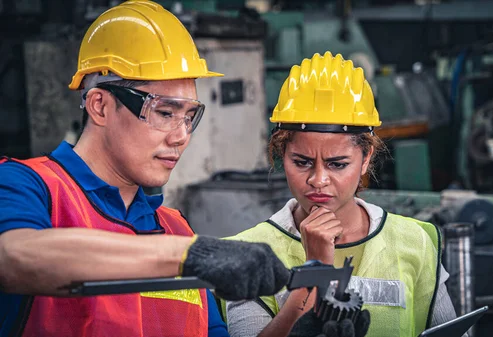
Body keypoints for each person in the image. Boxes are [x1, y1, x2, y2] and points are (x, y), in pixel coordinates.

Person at [0, 1, 289, 336]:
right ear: (100, 106)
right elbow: (14, 257)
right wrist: (189, 255)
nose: (181, 137)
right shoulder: (27, 186)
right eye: (165, 113)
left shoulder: (176, 229)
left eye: (189, 117)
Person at [223, 51, 462, 337]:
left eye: (337, 164)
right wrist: (315, 272)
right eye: (301, 162)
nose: (318, 180)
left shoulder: (414, 242)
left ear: (366, 158)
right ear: (280, 154)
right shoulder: (246, 254)